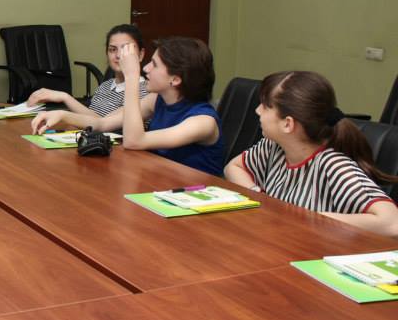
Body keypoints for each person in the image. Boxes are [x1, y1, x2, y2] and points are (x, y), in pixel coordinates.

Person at [224, 71, 398, 237]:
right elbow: (233, 167)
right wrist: (259, 196)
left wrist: (312, 218)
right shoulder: (274, 147)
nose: (257, 110)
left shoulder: (333, 165)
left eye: (265, 106)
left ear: (287, 124)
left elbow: (392, 224)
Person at [32, 36, 223, 175]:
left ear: (175, 79)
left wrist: (131, 76)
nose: (146, 69)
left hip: (194, 202)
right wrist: (63, 115)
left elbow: (134, 141)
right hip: (161, 185)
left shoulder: (203, 122)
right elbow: (103, 123)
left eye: (154, 65)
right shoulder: (157, 100)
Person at [27, 24, 148, 117]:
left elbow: (104, 124)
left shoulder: (145, 91)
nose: (118, 55)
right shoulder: (105, 86)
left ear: (141, 55)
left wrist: (65, 98)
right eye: (112, 49)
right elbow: (91, 119)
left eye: (126, 49)